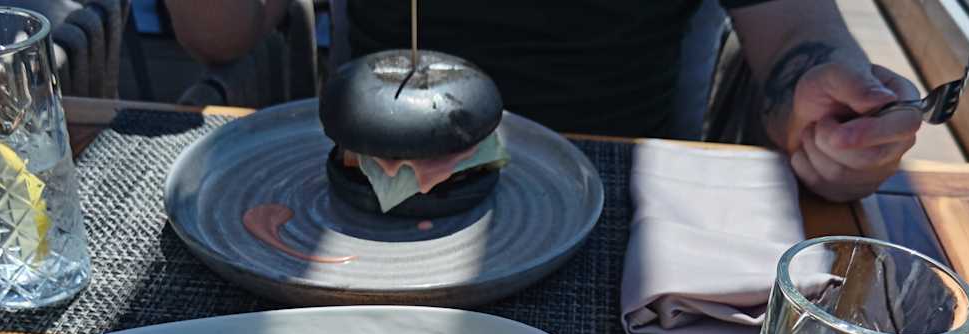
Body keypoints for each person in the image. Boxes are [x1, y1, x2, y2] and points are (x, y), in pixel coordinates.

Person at [165, 0, 922, 202]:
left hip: (617, 217)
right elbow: (220, 34)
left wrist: (835, 115)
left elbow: (796, 34)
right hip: (360, 202)